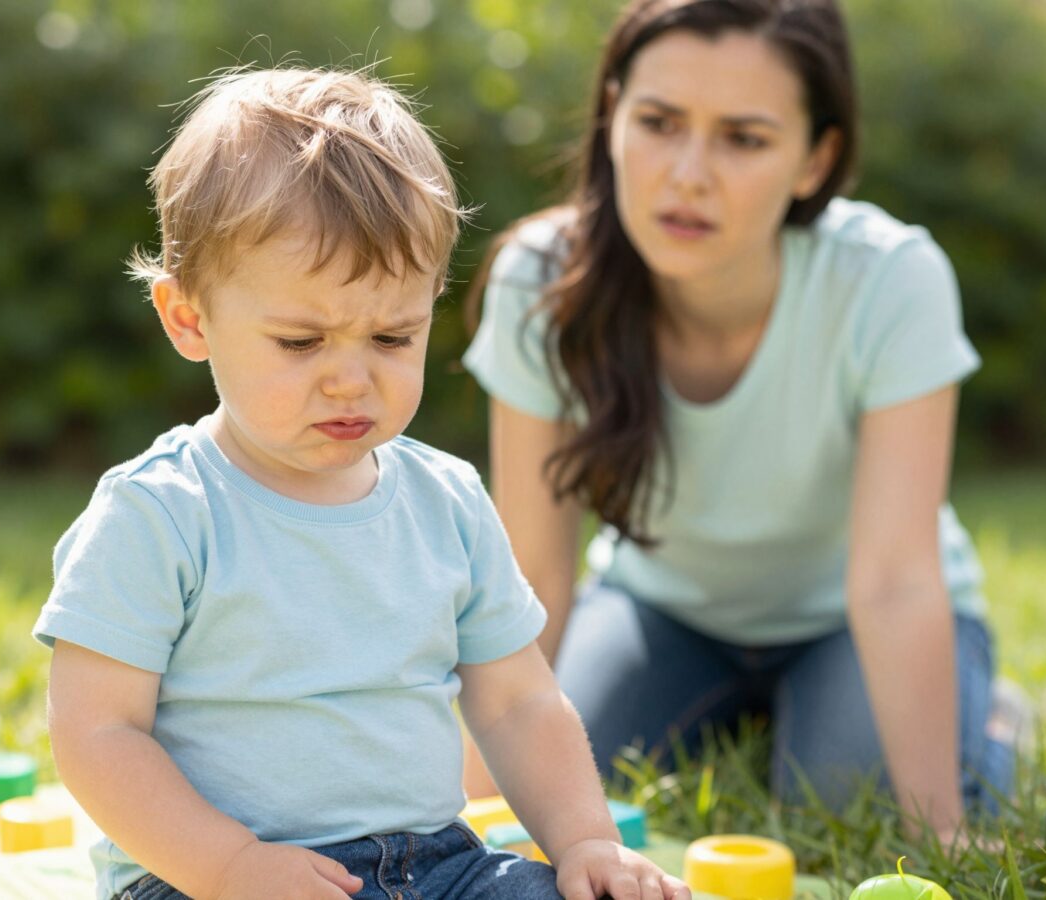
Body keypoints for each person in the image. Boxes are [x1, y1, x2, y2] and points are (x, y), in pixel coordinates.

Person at [33, 66, 690, 900]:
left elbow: (519, 702)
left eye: (391, 335)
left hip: (435, 866)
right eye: (302, 343)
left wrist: (587, 840)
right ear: (188, 319)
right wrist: (230, 865)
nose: (352, 379)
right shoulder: (159, 512)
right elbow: (99, 734)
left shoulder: (445, 501)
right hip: (205, 878)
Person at [462, 0, 1014, 842]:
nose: (688, 174)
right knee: (566, 787)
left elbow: (895, 582)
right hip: (660, 611)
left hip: (848, 615)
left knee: (844, 809)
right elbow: (533, 571)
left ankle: (993, 724)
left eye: (743, 138)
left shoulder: (891, 279)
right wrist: (475, 814)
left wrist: (938, 827)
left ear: (815, 158)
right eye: (658, 122)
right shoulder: (543, 283)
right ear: (612, 117)